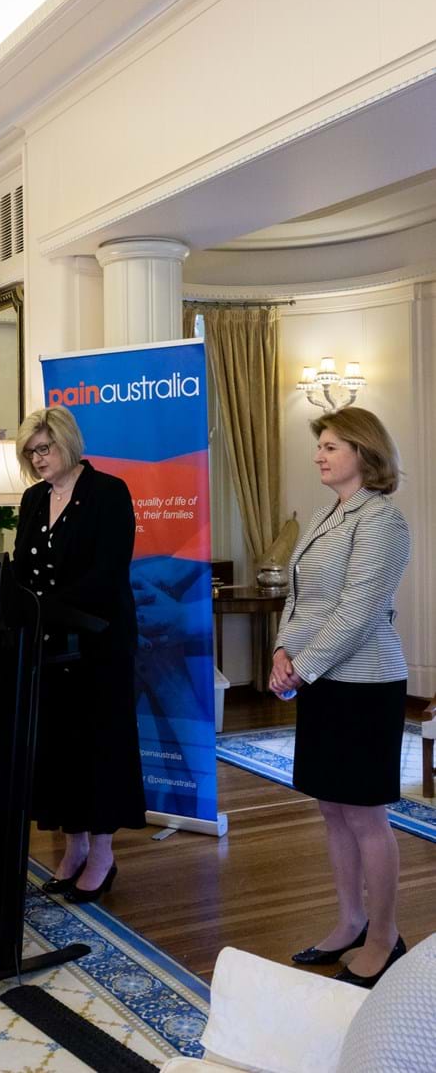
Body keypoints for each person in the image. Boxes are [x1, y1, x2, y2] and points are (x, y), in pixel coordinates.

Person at [269, 407, 410, 988]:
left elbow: (358, 612)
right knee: (333, 808)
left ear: (363, 451)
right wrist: (282, 651)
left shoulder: (382, 520)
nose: (319, 456)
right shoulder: (329, 514)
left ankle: (385, 937)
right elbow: (297, 596)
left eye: (331, 446)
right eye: (320, 446)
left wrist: (300, 669)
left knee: (365, 814)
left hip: (366, 683)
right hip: (324, 681)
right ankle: (351, 920)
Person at [13, 405, 146, 902]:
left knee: (98, 748)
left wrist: (46, 606)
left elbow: (108, 573)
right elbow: (22, 568)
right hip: (48, 647)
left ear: (67, 442)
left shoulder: (108, 492)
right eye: (31, 452)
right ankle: (74, 849)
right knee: (58, 750)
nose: (38, 459)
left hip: (98, 645)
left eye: (44, 448)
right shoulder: (33, 499)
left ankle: (103, 856)